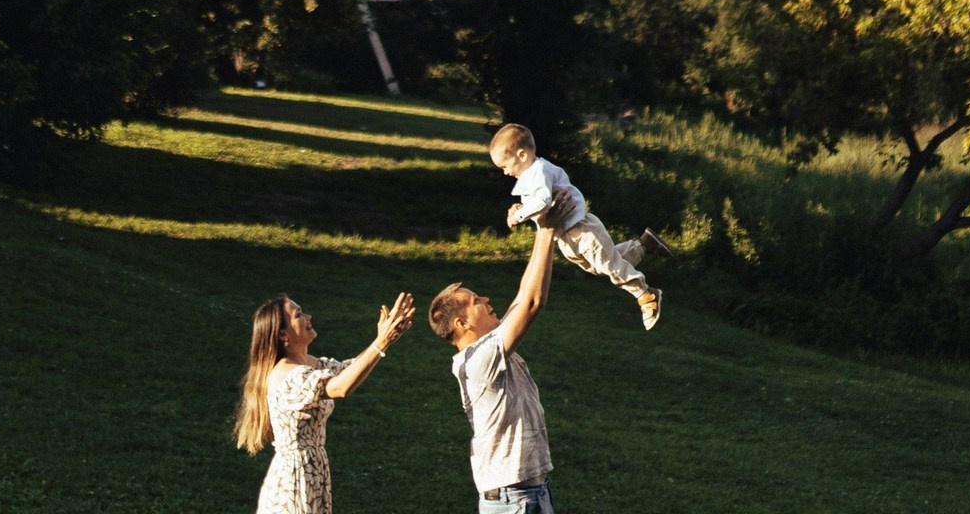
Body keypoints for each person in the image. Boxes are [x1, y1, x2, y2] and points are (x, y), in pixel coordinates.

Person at [233, 290, 416, 514]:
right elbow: (339, 387)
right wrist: (380, 343)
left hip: (312, 473)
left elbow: (347, 371)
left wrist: (384, 340)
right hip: (295, 482)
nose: (308, 317)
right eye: (298, 315)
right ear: (283, 334)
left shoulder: (310, 364)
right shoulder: (288, 376)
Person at [428, 218, 559, 513]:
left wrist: (544, 229)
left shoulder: (489, 350)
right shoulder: (478, 360)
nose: (486, 299)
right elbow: (532, 303)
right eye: (476, 301)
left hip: (529, 493)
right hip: (515, 500)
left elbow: (523, 297)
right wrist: (548, 230)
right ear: (462, 324)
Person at [488, 122, 672, 331]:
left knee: (610, 266)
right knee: (600, 266)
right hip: (566, 236)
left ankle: (645, 293)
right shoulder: (530, 175)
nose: (505, 172)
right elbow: (538, 202)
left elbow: (544, 200)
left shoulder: (538, 170)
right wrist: (522, 207)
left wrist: (518, 216)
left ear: (522, 155)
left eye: (505, 166)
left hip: (581, 229)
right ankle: (643, 245)